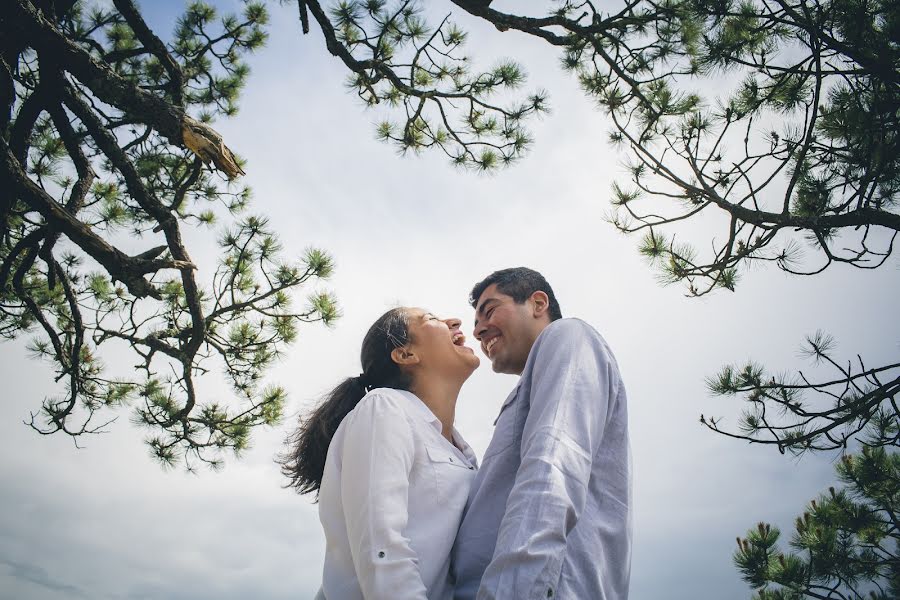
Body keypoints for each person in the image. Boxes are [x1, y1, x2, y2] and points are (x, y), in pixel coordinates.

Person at [452, 268, 632, 600]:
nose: (477, 330)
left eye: (489, 310)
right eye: (476, 321)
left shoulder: (567, 336)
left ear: (537, 303)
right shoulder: (531, 384)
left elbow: (553, 468)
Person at [281, 307, 481, 600]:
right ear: (405, 355)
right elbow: (381, 546)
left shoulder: (465, 453)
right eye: (431, 319)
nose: (454, 321)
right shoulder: (384, 408)